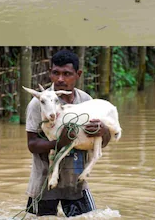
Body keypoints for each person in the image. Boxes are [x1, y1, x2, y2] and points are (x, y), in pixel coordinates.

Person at [25, 50, 112, 217]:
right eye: (56, 73)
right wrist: (59, 143)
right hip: (45, 183)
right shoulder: (39, 103)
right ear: (50, 73)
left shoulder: (86, 101)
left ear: (78, 74)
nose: (60, 79)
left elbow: (101, 141)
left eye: (67, 74)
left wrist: (104, 131)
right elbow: (32, 144)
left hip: (76, 183)